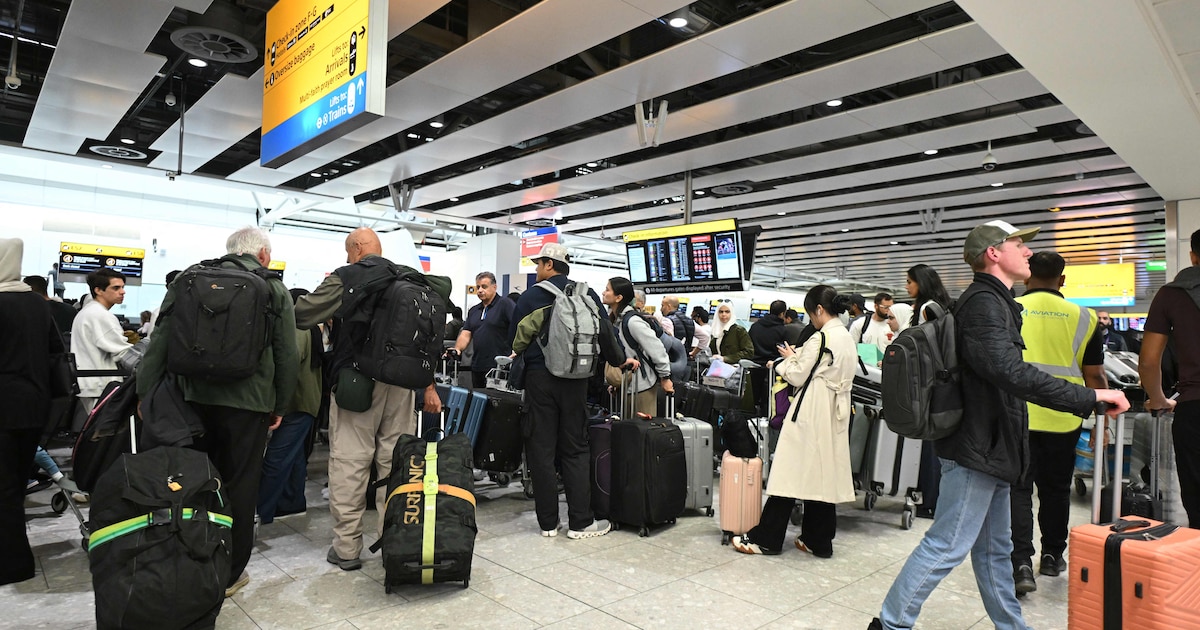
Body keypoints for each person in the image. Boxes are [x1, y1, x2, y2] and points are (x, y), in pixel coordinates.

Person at [871, 220, 1129, 630]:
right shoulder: (984, 303)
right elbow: (1009, 371)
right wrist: (1090, 396)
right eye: (1018, 244)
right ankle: (890, 624)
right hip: (978, 445)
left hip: (991, 443)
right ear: (993, 253)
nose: (1028, 252)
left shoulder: (996, 301)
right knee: (947, 544)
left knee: (995, 549)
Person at [137, 226, 298, 602]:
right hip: (250, 405)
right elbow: (286, 354)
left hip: (192, 400)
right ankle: (228, 573)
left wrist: (146, 395)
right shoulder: (273, 289)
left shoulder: (189, 279)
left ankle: (189, 559)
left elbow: (159, 341)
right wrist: (280, 405)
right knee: (240, 487)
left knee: (192, 482)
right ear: (262, 255)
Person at [293, 227, 443, 570]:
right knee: (395, 463)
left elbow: (303, 314)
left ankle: (346, 548)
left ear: (357, 248)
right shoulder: (409, 277)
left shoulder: (350, 276)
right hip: (403, 386)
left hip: (357, 384)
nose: (347, 259)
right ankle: (392, 542)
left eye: (349, 252)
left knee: (350, 461)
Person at [731, 285, 857, 558]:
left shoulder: (820, 338)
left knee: (790, 472)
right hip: (836, 410)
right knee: (822, 475)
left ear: (820, 310)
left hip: (812, 408)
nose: (811, 319)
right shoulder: (845, 337)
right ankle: (818, 540)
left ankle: (766, 540)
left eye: (812, 314)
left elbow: (799, 375)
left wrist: (782, 363)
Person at [1010, 251, 1107, 595]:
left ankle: (1021, 562)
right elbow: (1093, 375)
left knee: (1019, 490)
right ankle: (1052, 555)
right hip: (1065, 418)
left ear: (1026, 277)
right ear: (1062, 280)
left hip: (1017, 416)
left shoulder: (1010, 309)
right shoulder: (1085, 317)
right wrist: (1102, 424)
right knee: (1055, 490)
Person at [509, 242, 614, 539]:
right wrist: (620, 360)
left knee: (541, 450)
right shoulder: (587, 294)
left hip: (540, 379)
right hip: (577, 380)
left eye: (538, 264)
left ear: (549, 265)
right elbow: (606, 332)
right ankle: (581, 522)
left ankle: (548, 524)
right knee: (576, 448)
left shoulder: (530, 297)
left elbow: (513, 339)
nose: (536, 270)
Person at [0, 238, 65, 586]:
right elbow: (55, 354)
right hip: (34, 409)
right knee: (12, 485)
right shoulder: (39, 305)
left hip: (5, 408)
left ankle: (12, 564)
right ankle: (16, 558)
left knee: (4, 489)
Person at [1139, 227, 1200, 528]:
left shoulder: (1172, 295)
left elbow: (1149, 360)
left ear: (1193, 257)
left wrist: (1159, 398)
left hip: (1195, 409)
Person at [257, 288, 323, 524]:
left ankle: (260, 512)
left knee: (275, 459)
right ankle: (291, 503)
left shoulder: (296, 328)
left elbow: (289, 365)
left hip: (294, 404)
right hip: (306, 403)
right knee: (292, 457)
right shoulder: (311, 328)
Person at [71, 268, 133, 429]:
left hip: (92, 385)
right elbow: (124, 354)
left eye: (123, 287)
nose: (122, 292)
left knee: (97, 435)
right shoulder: (100, 315)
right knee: (104, 435)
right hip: (101, 386)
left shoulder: (88, 312)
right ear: (98, 290)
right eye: (116, 288)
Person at [603, 277, 673, 418]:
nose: (603, 293)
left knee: (643, 433)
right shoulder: (616, 320)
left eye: (607, 289)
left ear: (619, 297)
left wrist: (665, 377)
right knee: (629, 432)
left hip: (642, 387)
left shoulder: (633, 321)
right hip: (628, 384)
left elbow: (656, 349)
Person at [453, 271, 514, 389]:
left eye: (484, 287)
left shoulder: (505, 305)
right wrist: (457, 349)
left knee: (496, 404)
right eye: (478, 287)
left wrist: (516, 351)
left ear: (494, 287)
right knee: (479, 401)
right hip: (477, 366)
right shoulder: (474, 310)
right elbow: (466, 334)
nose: (480, 290)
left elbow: (518, 327)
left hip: (499, 366)